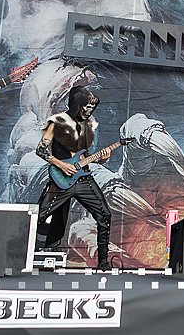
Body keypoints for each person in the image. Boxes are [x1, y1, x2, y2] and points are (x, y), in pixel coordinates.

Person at [34, 86, 113, 269]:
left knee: (104, 215)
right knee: (37, 216)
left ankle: (103, 262)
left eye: (92, 108)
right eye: (86, 106)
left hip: (83, 179)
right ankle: (21, 254)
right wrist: (62, 165)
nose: (89, 111)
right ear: (76, 104)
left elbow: (84, 155)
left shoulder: (89, 125)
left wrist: (101, 159)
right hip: (61, 178)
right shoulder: (57, 121)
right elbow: (41, 150)